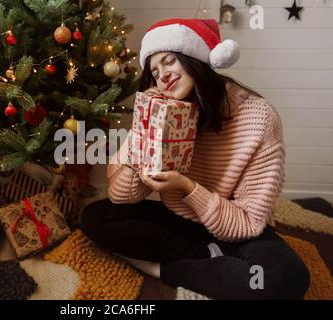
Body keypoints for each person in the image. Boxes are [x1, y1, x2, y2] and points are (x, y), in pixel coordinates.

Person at [80, 19, 310, 300]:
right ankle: (206, 258)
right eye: (155, 71)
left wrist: (186, 187)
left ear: (194, 59)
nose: (163, 75)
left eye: (170, 61)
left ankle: (165, 269)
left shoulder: (259, 118)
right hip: (183, 229)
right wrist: (144, 127)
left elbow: (248, 223)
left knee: (284, 279)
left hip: (238, 230)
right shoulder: (163, 111)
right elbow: (123, 197)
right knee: (95, 216)